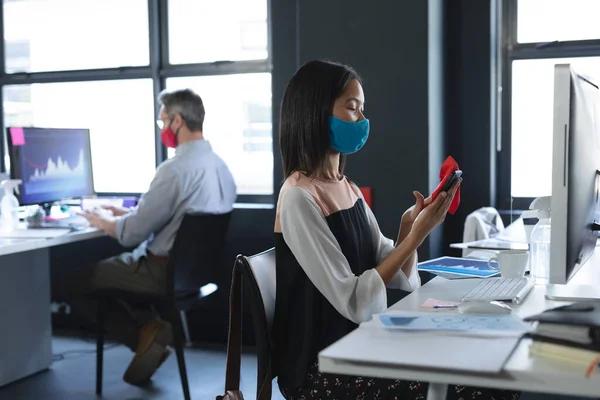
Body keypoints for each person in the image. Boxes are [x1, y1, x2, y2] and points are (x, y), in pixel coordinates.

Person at [273, 60, 519, 400]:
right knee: (480, 384)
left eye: (362, 109)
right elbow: (355, 298)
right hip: (323, 368)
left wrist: (408, 228)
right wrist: (418, 235)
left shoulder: (347, 187)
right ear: (316, 112)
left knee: (488, 365)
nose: (362, 119)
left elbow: (386, 268)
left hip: (363, 342)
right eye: (352, 108)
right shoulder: (298, 198)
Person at [70, 88, 237, 385]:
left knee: (75, 281)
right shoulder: (220, 167)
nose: (163, 129)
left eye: (162, 122)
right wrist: (121, 213)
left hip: (159, 273)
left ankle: (145, 336)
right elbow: (176, 218)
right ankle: (151, 330)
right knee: (113, 274)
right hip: (194, 275)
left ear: (177, 121)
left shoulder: (175, 169)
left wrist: (102, 220)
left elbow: (132, 233)